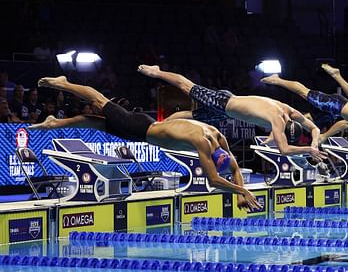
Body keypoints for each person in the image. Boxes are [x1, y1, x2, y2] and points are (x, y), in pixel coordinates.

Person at [31, 76, 261, 210]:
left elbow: (234, 169)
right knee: (99, 101)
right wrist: (241, 190)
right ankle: (64, 84)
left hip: (146, 126)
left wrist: (241, 191)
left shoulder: (217, 136)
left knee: (99, 124)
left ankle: (55, 123)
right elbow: (214, 179)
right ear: (212, 156)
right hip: (141, 129)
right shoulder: (202, 142)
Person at [137, 65, 326, 161]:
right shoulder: (277, 120)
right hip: (224, 102)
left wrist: (315, 141)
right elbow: (284, 150)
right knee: (187, 86)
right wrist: (309, 149)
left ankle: (160, 126)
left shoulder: (290, 112)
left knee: (192, 117)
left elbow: (314, 128)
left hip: (227, 112)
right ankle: (157, 72)